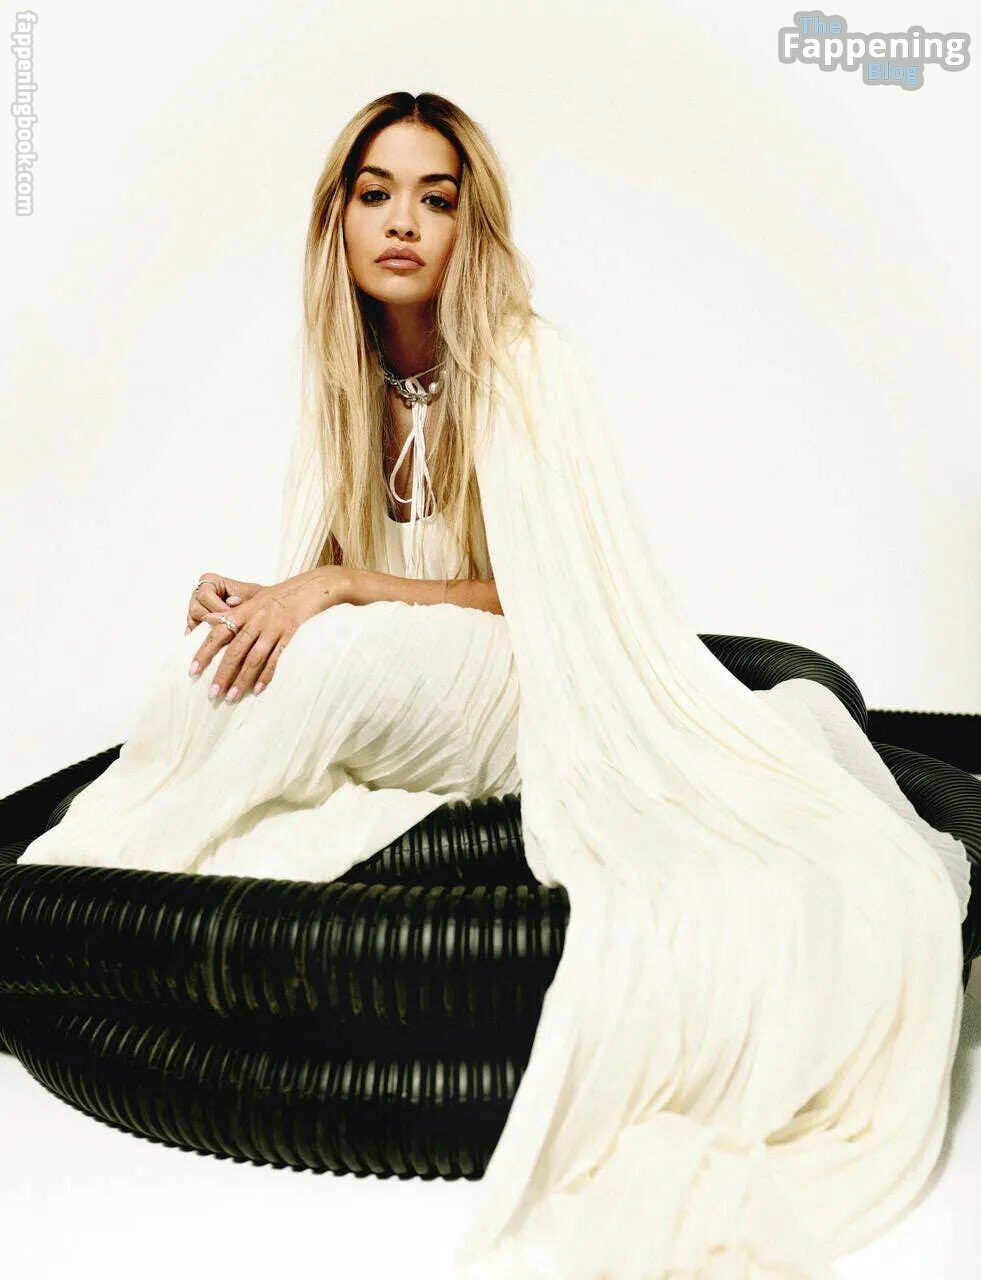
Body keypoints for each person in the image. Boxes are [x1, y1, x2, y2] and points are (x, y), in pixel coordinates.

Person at [17, 92, 972, 1277]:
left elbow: (544, 599)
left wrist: (334, 589)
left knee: (331, 653)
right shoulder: (345, 373)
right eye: (376, 193)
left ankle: (71, 895)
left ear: (471, 226)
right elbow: (340, 578)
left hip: (532, 675)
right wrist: (272, 592)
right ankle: (87, 896)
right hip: (413, 669)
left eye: (436, 198)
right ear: (338, 216)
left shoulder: (525, 363)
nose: (402, 222)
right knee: (206, 667)